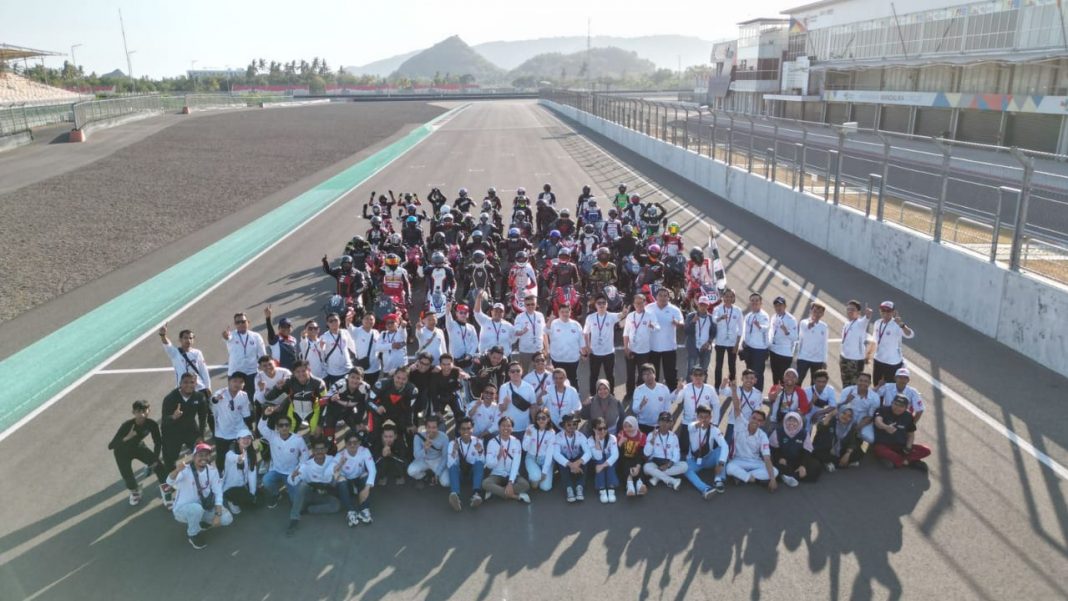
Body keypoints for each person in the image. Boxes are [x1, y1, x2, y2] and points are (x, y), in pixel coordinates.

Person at [167, 442, 232, 549]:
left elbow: (218, 492)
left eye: (206, 455)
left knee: (226, 519)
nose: (204, 458)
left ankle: (202, 522)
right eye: (200, 455)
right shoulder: (185, 470)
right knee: (196, 509)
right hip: (183, 509)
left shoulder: (212, 471)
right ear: (194, 457)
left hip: (203, 506)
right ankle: (193, 534)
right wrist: (177, 470)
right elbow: (169, 482)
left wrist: (218, 514)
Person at [109, 400, 167, 506]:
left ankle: (165, 489)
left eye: (145, 411)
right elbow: (111, 445)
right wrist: (127, 437)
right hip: (122, 452)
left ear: (149, 410)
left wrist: (155, 458)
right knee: (128, 476)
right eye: (139, 412)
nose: (142, 415)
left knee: (159, 466)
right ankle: (135, 492)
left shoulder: (152, 424)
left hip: (138, 448)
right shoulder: (127, 425)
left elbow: (158, 442)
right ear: (133, 412)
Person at [284, 438, 341, 535]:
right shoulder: (306, 465)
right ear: (313, 451)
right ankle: (294, 519)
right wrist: (293, 476)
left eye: (322, 449)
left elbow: (338, 468)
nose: (320, 452)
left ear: (326, 450)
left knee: (336, 505)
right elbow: (292, 481)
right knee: (302, 485)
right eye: (317, 449)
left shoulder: (331, 460)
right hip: (309, 494)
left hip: (323, 494)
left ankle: (309, 509)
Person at [160, 373, 208, 479]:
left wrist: (201, 436)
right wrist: (173, 417)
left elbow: (202, 418)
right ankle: (171, 480)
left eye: (192, 382)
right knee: (170, 459)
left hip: (190, 430)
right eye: (185, 382)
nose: (189, 385)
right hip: (172, 432)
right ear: (180, 384)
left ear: (196, 383)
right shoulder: (170, 398)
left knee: (201, 453)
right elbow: (164, 422)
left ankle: (203, 478)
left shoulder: (199, 397)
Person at [257, 412, 309, 509]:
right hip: (276, 470)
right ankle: (276, 494)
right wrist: (264, 415)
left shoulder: (298, 439)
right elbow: (261, 427)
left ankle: (290, 487)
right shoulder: (272, 436)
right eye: (281, 425)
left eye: (286, 425)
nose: (284, 427)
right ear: (277, 427)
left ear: (290, 426)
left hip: (291, 473)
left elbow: (305, 455)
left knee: (296, 503)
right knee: (266, 481)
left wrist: (299, 468)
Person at [264, 360, 328, 435]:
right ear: (294, 373)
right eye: (297, 372)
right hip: (294, 411)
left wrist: (320, 424)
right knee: (287, 435)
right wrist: (277, 388)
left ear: (309, 370)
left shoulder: (319, 383)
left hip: (313, 411)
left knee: (317, 435)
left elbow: (325, 404)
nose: (301, 374)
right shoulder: (288, 381)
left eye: (303, 371)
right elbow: (269, 397)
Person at [872, 395, 931, 471]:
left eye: (901, 406)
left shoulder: (909, 416)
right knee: (879, 450)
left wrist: (908, 448)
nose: (897, 407)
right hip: (883, 444)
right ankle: (909, 462)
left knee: (926, 450)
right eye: (895, 404)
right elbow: (877, 422)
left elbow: (911, 434)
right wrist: (886, 427)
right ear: (892, 403)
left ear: (906, 408)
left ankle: (895, 460)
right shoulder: (882, 410)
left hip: (901, 446)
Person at [725, 410, 779, 491]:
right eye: (754, 418)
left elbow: (767, 457)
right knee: (729, 468)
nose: (755, 421)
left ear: (763, 423)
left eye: (759, 420)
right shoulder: (740, 425)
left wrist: (773, 479)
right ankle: (754, 480)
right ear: (749, 418)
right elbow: (736, 408)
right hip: (738, 460)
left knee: (775, 472)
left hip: (755, 462)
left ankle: (741, 476)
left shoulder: (763, 436)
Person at [209, 373, 253, 472]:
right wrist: (216, 399)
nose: (237, 384)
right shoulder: (220, 393)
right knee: (221, 457)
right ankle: (221, 474)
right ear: (229, 382)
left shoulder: (244, 395)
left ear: (244, 385)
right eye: (235, 381)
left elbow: (246, 414)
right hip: (222, 431)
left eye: (241, 382)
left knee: (244, 454)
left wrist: (250, 429)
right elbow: (213, 400)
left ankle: (244, 473)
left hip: (239, 430)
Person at [681, 405, 728, 498]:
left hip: (708, 459)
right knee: (685, 469)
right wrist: (697, 424)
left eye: (706, 417)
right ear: (697, 417)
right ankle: (705, 489)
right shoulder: (692, 426)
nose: (703, 420)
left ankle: (718, 479)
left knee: (721, 449)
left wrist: (721, 463)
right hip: (694, 460)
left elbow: (724, 445)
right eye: (701, 417)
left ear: (710, 418)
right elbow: (691, 427)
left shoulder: (714, 429)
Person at [483, 417, 532, 503]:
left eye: (509, 426)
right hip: (497, 474)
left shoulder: (516, 442)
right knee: (485, 483)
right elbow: (489, 465)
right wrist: (498, 457)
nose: (506, 428)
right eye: (503, 425)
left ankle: (497, 491)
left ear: (512, 428)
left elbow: (516, 463)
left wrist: (510, 482)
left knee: (525, 485)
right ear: (499, 427)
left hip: (512, 474)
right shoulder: (492, 442)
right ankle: (515, 496)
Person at [369, 366, 419, 449]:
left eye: (404, 379)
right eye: (398, 377)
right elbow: (369, 401)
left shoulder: (412, 390)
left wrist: (410, 424)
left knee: (409, 432)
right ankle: (374, 450)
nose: (400, 381)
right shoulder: (381, 384)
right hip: (381, 412)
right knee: (374, 434)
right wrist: (376, 407)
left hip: (399, 414)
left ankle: (408, 453)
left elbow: (410, 409)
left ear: (407, 379)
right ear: (394, 376)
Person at [583, 295, 625, 394]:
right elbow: (585, 333)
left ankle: (611, 394)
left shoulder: (611, 316)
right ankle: (593, 395)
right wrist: (587, 346)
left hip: (609, 353)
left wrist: (624, 312)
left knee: (610, 375)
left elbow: (621, 315)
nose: (601, 305)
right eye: (599, 303)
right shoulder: (590, 318)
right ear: (595, 305)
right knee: (594, 376)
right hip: (595, 352)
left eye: (603, 303)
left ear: (607, 305)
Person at [336, 430, 376, 526]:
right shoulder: (340, 454)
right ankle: (350, 511)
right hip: (347, 482)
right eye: (349, 443)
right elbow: (330, 470)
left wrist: (366, 489)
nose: (352, 445)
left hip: (358, 478)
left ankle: (364, 509)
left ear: (359, 443)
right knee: (340, 479)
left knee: (365, 474)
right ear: (345, 444)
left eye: (355, 442)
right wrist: (339, 464)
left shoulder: (365, 451)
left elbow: (372, 469)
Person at [647, 287, 685, 390]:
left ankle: (672, 392)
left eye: (665, 296)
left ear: (669, 297)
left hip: (669, 347)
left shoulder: (674, 309)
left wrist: (677, 323)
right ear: (656, 296)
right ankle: (653, 392)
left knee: (671, 374)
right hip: (653, 347)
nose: (663, 298)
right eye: (660, 295)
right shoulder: (649, 308)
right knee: (653, 373)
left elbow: (682, 323)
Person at [324, 367, 372, 448]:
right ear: (348, 377)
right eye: (352, 377)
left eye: (358, 378)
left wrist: (364, 422)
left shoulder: (366, 388)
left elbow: (368, 405)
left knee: (362, 431)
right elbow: (322, 400)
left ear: (362, 380)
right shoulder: (340, 384)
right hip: (334, 410)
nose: (354, 380)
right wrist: (330, 399)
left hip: (350, 411)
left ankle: (360, 446)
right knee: (329, 436)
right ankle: (331, 446)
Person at [222, 312, 267, 398]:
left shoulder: (256, 336)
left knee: (253, 398)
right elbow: (227, 338)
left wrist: (264, 370)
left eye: (243, 321)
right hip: (235, 373)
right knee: (235, 399)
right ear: (235, 324)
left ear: (248, 322)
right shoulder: (231, 335)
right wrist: (225, 336)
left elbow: (263, 355)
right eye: (238, 322)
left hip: (252, 373)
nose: (240, 324)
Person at [768, 412, 819, 486]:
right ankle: (792, 476)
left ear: (799, 422)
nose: (791, 423)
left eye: (795, 421)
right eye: (789, 420)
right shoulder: (778, 431)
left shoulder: (804, 433)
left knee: (816, 465)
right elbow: (773, 449)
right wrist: (780, 458)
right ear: (785, 421)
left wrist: (802, 465)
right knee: (774, 465)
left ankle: (786, 476)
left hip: (797, 460)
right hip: (783, 461)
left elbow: (807, 451)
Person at [158, 324, 212, 394]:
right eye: (185, 338)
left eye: (190, 338)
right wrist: (163, 335)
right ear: (180, 340)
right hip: (182, 390)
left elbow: (203, 370)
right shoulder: (175, 353)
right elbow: (167, 344)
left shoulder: (197, 353)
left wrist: (208, 386)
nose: (188, 340)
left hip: (199, 389)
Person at [448, 417, 487, 511]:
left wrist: (480, 451)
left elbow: (483, 463)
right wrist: (454, 451)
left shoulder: (478, 441)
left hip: (471, 474)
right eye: (463, 429)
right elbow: (449, 464)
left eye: (469, 428)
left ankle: (476, 494)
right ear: (459, 430)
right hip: (460, 474)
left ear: (472, 429)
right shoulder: (453, 443)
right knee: (453, 467)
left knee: (479, 463)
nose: (466, 431)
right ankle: (455, 496)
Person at [872, 301, 914, 386]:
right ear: (880, 311)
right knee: (876, 386)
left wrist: (902, 325)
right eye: (883, 310)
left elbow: (910, 335)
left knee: (890, 388)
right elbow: (875, 340)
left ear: (893, 312)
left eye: (888, 311)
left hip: (892, 362)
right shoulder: (877, 323)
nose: (885, 313)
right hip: (878, 360)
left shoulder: (897, 325)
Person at [622, 293, 656, 398]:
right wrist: (626, 347)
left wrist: (653, 326)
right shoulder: (630, 316)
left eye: (641, 303)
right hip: (631, 349)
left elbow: (656, 327)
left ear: (645, 303)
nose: (639, 305)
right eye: (637, 303)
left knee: (643, 374)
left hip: (644, 351)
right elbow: (626, 333)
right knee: (630, 373)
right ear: (633, 304)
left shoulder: (650, 315)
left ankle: (640, 393)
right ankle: (630, 393)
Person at [642, 411, 687, 491]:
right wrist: (652, 441)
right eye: (662, 421)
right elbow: (646, 453)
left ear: (671, 424)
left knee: (685, 466)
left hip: (668, 463)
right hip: (655, 462)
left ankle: (656, 477)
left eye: (667, 422)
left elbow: (676, 454)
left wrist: (668, 465)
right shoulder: (651, 434)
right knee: (646, 468)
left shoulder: (673, 436)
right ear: (658, 422)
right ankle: (672, 480)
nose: (664, 424)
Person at [553, 413, 591, 503]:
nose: (572, 426)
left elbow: (588, 452)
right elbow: (556, 454)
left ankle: (579, 486)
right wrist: (570, 465)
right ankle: (569, 487)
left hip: (576, 460)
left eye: (574, 424)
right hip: (566, 461)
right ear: (564, 426)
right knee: (561, 459)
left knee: (584, 458)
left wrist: (577, 463)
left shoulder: (581, 436)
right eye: (569, 424)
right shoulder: (558, 437)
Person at [547, 304, 586, 387]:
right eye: (562, 312)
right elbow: (545, 331)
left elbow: (581, 341)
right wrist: (550, 320)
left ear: (570, 312)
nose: (565, 314)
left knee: (572, 379)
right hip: (557, 359)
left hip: (572, 359)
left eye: (567, 312)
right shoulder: (553, 323)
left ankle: (575, 394)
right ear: (558, 312)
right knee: (557, 380)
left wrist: (584, 354)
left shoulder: (576, 324)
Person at [811, 407, 860, 471]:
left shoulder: (850, 427)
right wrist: (830, 415)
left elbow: (852, 441)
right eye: (844, 413)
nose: (845, 417)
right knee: (819, 452)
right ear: (839, 413)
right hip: (825, 448)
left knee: (857, 453)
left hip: (838, 450)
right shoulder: (831, 421)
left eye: (849, 416)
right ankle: (834, 463)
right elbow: (820, 427)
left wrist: (847, 454)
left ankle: (834, 463)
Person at [221, 429, 258, 514]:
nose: (246, 440)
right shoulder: (230, 453)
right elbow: (231, 457)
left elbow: (252, 474)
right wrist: (239, 458)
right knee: (247, 501)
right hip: (230, 487)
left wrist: (252, 493)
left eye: (248, 438)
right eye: (243, 438)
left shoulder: (251, 454)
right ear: (238, 440)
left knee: (258, 499)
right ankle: (231, 501)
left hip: (243, 485)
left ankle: (243, 498)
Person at [408, 415, 450, 487]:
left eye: (434, 427)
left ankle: (435, 474)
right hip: (423, 459)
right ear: (425, 427)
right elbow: (416, 456)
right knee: (411, 471)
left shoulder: (444, 437)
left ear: (438, 428)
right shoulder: (418, 436)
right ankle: (424, 476)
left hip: (437, 459)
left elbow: (445, 457)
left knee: (446, 483)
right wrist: (425, 449)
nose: (431, 430)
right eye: (429, 427)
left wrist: (438, 473)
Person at [585, 417, 620, 503]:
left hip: (606, 463)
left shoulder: (612, 438)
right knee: (600, 461)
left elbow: (615, 455)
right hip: (596, 462)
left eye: (605, 428)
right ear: (594, 429)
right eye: (599, 429)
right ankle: (602, 489)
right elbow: (598, 457)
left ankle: (611, 488)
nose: (603, 431)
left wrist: (603, 465)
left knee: (609, 460)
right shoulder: (590, 440)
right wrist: (597, 442)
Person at [740, 293, 771, 390]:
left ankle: (757, 393)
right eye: (752, 300)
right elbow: (744, 332)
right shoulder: (748, 316)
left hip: (759, 350)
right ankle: (749, 390)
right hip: (749, 348)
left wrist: (759, 326)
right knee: (749, 372)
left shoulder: (764, 315)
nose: (754, 302)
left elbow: (766, 328)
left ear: (761, 303)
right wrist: (742, 345)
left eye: (757, 300)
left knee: (757, 374)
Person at [839, 372, 880, 444]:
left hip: (863, 419)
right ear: (856, 381)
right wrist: (846, 401)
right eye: (860, 380)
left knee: (870, 438)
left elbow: (870, 416)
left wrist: (858, 427)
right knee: (842, 434)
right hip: (848, 416)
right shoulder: (847, 390)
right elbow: (839, 408)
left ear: (869, 383)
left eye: (866, 381)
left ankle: (857, 440)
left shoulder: (875, 397)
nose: (863, 383)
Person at [839, 300, 873, 387]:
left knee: (855, 386)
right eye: (848, 309)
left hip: (855, 360)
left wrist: (868, 315)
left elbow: (866, 319)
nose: (850, 311)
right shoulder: (847, 323)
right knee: (845, 384)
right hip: (844, 358)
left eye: (853, 309)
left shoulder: (860, 323)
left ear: (858, 312)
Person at [712, 289, 742, 385]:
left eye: (731, 296)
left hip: (732, 342)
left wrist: (737, 344)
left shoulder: (738, 310)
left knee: (732, 365)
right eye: (726, 296)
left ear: (733, 298)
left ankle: (732, 385)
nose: (728, 298)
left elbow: (741, 328)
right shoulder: (718, 309)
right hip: (720, 341)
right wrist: (721, 317)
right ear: (723, 297)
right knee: (719, 365)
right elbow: (713, 320)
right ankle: (717, 386)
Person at [318, 313, 356, 388]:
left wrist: (358, 357)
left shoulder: (345, 332)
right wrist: (321, 346)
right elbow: (321, 350)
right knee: (337, 391)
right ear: (327, 323)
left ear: (339, 321)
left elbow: (352, 346)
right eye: (331, 321)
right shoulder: (324, 336)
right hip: (334, 372)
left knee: (349, 390)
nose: (333, 322)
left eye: (335, 320)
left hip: (348, 368)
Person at [523, 408, 556, 492]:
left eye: (543, 418)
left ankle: (544, 471)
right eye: (538, 418)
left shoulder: (551, 433)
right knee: (535, 479)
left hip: (544, 459)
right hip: (531, 457)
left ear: (548, 419)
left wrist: (544, 472)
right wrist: (528, 437)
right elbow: (525, 448)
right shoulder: (530, 428)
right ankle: (534, 475)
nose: (541, 420)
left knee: (545, 487)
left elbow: (549, 453)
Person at [499, 362, 537, 436]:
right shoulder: (504, 387)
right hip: (508, 429)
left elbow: (533, 407)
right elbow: (501, 409)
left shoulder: (529, 387)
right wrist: (505, 403)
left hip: (525, 428)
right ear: (509, 373)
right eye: (512, 371)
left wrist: (535, 425)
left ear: (522, 372)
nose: (515, 373)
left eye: (518, 371)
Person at [632, 363, 671, 434]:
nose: (648, 376)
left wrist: (664, 422)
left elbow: (667, 407)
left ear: (654, 374)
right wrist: (641, 405)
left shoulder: (664, 388)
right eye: (645, 374)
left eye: (650, 373)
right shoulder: (638, 390)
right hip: (643, 425)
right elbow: (635, 410)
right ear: (642, 377)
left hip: (660, 425)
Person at [767, 296, 798, 386]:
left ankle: (784, 394)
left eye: (780, 305)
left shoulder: (791, 319)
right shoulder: (774, 317)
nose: (778, 307)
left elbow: (795, 337)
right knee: (775, 376)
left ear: (785, 306)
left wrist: (786, 331)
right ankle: (776, 393)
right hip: (773, 350)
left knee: (783, 378)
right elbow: (771, 332)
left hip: (785, 353)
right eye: (776, 306)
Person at [796, 302, 828, 385]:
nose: (817, 314)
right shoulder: (803, 322)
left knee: (815, 384)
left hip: (817, 360)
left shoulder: (824, 326)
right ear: (810, 311)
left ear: (823, 314)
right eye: (815, 311)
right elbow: (803, 333)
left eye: (820, 312)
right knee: (798, 381)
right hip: (803, 358)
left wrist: (824, 360)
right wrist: (810, 325)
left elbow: (824, 344)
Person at [683, 297, 716, 380]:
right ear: (697, 305)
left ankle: (704, 386)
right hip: (693, 347)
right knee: (691, 370)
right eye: (701, 305)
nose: (703, 307)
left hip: (706, 348)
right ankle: (689, 385)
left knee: (704, 370)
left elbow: (713, 332)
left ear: (708, 306)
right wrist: (693, 322)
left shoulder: (711, 318)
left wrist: (709, 342)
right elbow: (686, 331)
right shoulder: (691, 316)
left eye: (705, 305)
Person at [616, 416, 648, 497]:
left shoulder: (642, 436)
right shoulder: (621, 434)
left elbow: (641, 453)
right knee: (626, 465)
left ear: (635, 425)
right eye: (625, 426)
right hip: (624, 458)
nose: (628, 429)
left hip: (637, 457)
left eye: (630, 426)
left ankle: (639, 484)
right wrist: (620, 443)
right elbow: (616, 452)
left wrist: (637, 467)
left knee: (638, 466)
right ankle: (629, 484)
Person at [513, 296, 547, 371]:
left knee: (540, 371)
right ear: (524, 305)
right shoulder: (520, 317)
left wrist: (547, 348)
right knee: (524, 372)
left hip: (538, 350)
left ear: (536, 304)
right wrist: (522, 331)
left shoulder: (540, 315)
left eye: (532, 304)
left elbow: (544, 333)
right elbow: (516, 332)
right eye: (528, 304)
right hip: (525, 350)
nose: (530, 306)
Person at [444, 302, 479, 372]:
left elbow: (475, 342)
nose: (463, 315)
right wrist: (448, 310)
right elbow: (448, 318)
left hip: (468, 359)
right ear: (456, 314)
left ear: (468, 314)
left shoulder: (471, 327)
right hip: (455, 360)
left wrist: (470, 355)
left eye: (465, 313)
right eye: (461, 312)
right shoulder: (452, 325)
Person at [349, 313, 382, 386]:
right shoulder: (356, 331)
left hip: (375, 368)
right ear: (362, 320)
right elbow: (349, 327)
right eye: (366, 318)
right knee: (360, 389)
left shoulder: (376, 332)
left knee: (372, 388)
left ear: (374, 321)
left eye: (371, 319)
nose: (369, 321)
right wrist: (348, 320)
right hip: (361, 369)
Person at [264, 306, 298, 371]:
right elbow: (270, 331)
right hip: (280, 370)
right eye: (283, 326)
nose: (285, 328)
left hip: (293, 370)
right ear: (279, 328)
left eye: (288, 326)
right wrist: (268, 318)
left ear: (291, 328)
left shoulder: (293, 339)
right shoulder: (275, 339)